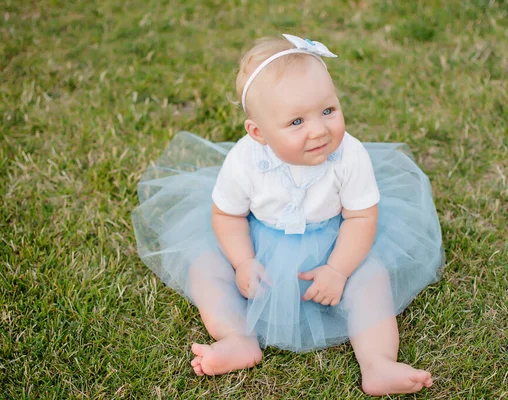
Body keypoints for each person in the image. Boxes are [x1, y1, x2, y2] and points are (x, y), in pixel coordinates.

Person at [131, 34, 444, 395]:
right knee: (206, 269)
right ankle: (236, 339)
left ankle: (379, 363)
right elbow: (228, 216)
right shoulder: (245, 161)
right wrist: (243, 261)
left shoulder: (349, 155)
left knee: (370, 279)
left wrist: (338, 269)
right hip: (256, 242)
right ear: (258, 132)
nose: (319, 129)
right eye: (296, 122)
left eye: (328, 110)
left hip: (335, 242)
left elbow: (361, 218)